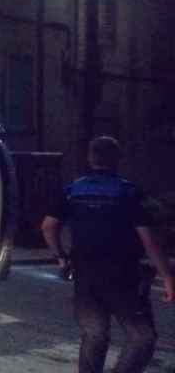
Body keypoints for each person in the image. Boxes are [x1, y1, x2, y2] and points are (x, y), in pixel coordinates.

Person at [41, 136, 173, 373]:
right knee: (141, 337)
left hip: (85, 274)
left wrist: (61, 257)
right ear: (116, 159)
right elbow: (149, 241)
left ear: (90, 158)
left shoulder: (73, 190)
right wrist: (168, 277)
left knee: (95, 334)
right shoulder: (129, 192)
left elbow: (48, 226)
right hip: (123, 276)